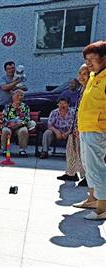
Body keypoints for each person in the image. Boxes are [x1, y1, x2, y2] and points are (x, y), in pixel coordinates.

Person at [73, 41, 106, 220]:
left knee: (97, 167)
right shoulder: (94, 77)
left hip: (98, 129)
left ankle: (103, 208)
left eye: (93, 59)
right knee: (88, 167)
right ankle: (92, 199)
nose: (89, 63)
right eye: (87, 59)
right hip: (87, 128)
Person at [58, 64, 90, 184]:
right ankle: (71, 173)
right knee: (71, 149)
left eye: (85, 74)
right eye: (80, 73)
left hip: (85, 127)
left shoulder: (90, 89)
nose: (81, 76)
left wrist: (80, 127)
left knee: (85, 153)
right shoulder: (82, 88)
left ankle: (88, 177)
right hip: (76, 125)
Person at [1, 89, 32, 157]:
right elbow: (4, 118)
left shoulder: (25, 107)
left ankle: (22, 150)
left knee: (24, 130)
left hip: (20, 126)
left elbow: (27, 118)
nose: (19, 97)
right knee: (5, 130)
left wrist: (20, 124)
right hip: (9, 126)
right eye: (17, 95)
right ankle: (5, 150)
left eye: (21, 95)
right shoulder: (8, 107)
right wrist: (10, 124)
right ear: (13, 97)